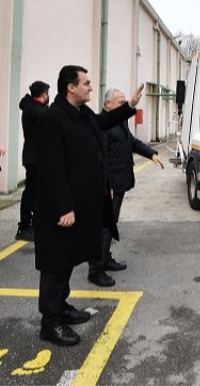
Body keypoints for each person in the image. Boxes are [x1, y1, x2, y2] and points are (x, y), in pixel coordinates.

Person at [34, 65, 143, 346]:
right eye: (86, 83)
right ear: (70, 87)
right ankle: (50, 321)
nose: (90, 88)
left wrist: (129, 106)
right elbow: (51, 169)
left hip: (80, 205)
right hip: (61, 210)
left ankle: (62, 306)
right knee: (56, 264)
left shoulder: (82, 115)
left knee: (68, 259)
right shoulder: (53, 119)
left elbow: (104, 122)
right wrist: (63, 207)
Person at [88, 88, 164, 287]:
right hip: (110, 184)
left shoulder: (120, 121)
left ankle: (105, 258)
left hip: (120, 182)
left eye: (124, 102)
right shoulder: (102, 125)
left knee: (111, 223)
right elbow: (99, 157)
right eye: (120, 102)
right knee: (104, 226)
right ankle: (95, 270)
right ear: (108, 104)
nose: (124, 105)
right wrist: (107, 184)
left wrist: (151, 154)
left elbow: (132, 142)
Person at [16, 80, 50, 242]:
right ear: (43, 95)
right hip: (34, 158)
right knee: (31, 192)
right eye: (47, 94)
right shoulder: (33, 110)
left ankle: (36, 225)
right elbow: (50, 118)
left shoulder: (36, 108)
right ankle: (24, 227)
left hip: (38, 157)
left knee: (38, 192)